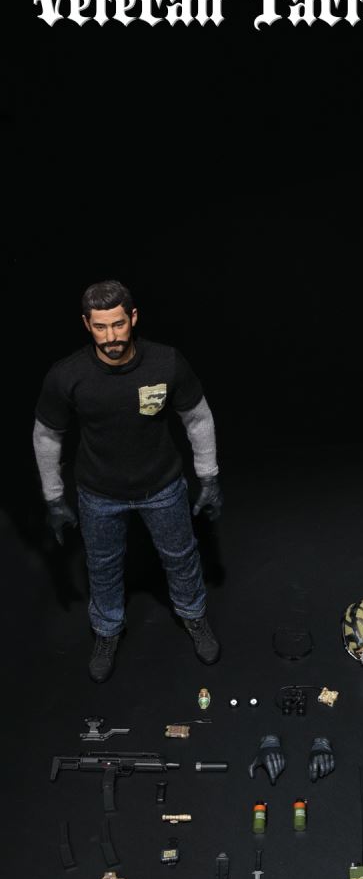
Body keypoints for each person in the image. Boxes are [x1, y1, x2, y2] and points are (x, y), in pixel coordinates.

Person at [33, 279, 222, 682]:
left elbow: (197, 417)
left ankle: (193, 615)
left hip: (163, 485)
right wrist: (53, 498)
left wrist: (208, 476)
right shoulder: (68, 374)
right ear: (86, 324)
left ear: (133, 318)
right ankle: (106, 631)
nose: (110, 337)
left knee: (181, 557)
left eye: (118, 324)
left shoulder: (166, 362)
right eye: (100, 327)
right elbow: (47, 434)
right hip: (99, 493)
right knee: (102, 567)